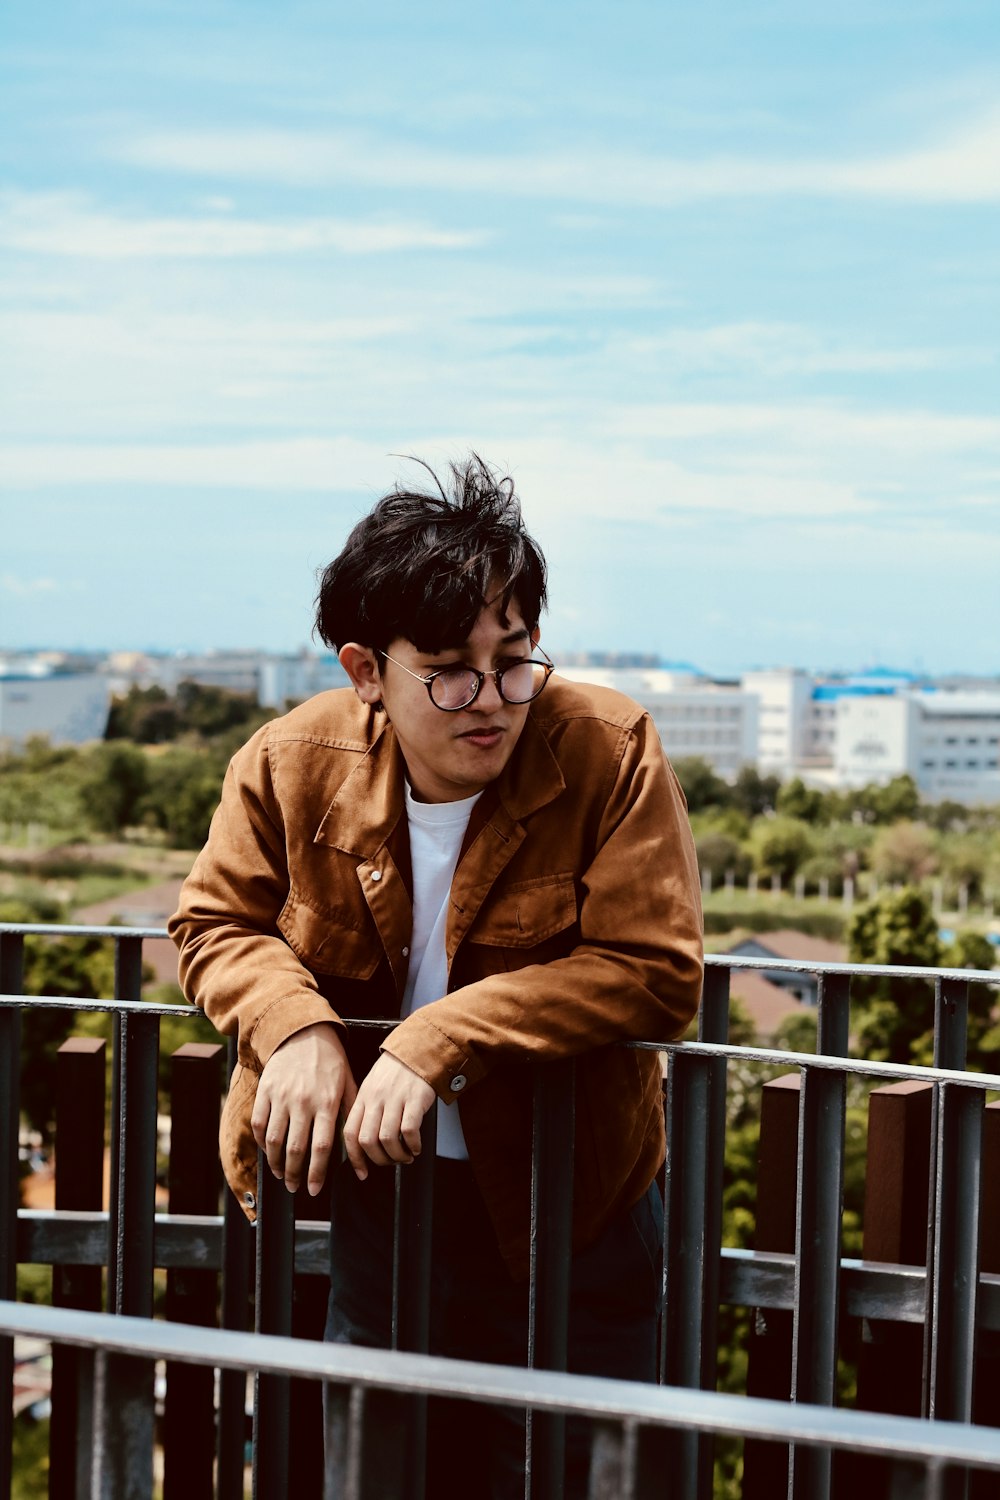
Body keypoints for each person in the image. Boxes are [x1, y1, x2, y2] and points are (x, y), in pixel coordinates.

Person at [169, 454, 703, 1497]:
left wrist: (438, 1038)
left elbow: (652, 971)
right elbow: (215, 921)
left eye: (513, 659)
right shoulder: (289, 761)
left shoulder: (608, 749)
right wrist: (297, 1029)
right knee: (373, 1471)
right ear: (366, 669)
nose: (490, 700)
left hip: (569, 1209)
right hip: (369, 1208)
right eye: (449, 670)